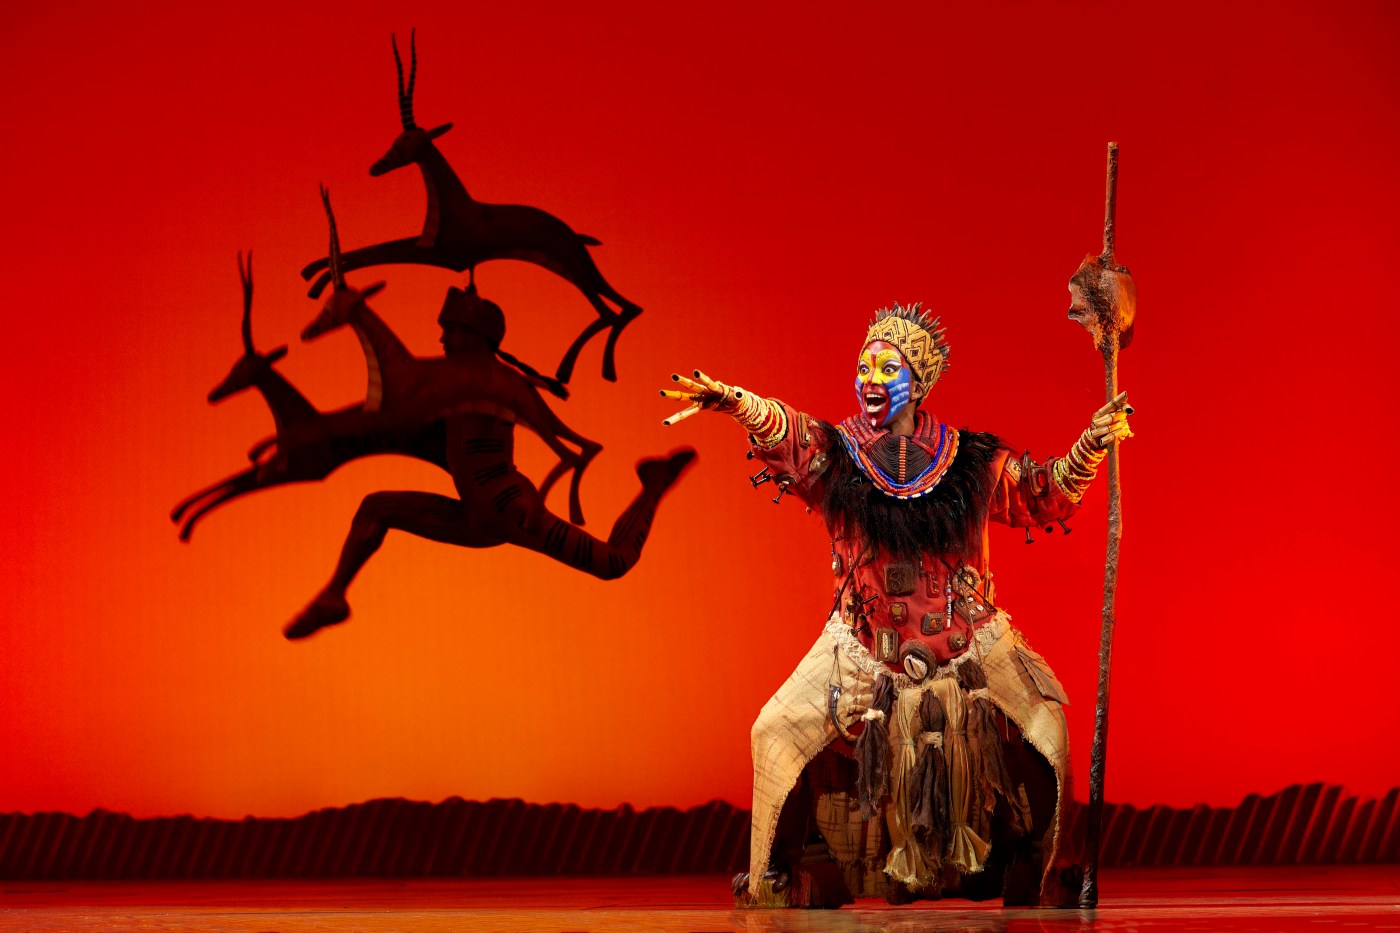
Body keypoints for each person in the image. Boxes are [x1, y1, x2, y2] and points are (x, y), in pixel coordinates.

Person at [660, 299, 1132, 907]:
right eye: (863, 367)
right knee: (773, 731)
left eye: (888, 368)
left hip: (970, 644)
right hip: (861, 650)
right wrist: (736, 401)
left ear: (919, 379)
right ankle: (778, 875)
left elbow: (1042, 493)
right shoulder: (837, 455)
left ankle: (1048, 870)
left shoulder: (971, 461)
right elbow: (788, 431)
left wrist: (1091, 444)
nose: (870, 380)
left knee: (1050, 731)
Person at [285, 285, 693, 640]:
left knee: (612, 562)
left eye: (449, 330)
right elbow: (399, 398)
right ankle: (334, 595)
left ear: (472, 335)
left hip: (510, 510)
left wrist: (361, 315)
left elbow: (403, 378)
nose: (441, 338)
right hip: (475, 514)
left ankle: (654, 485)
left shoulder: (487, 380)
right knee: (377, 507)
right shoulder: (458, 379)